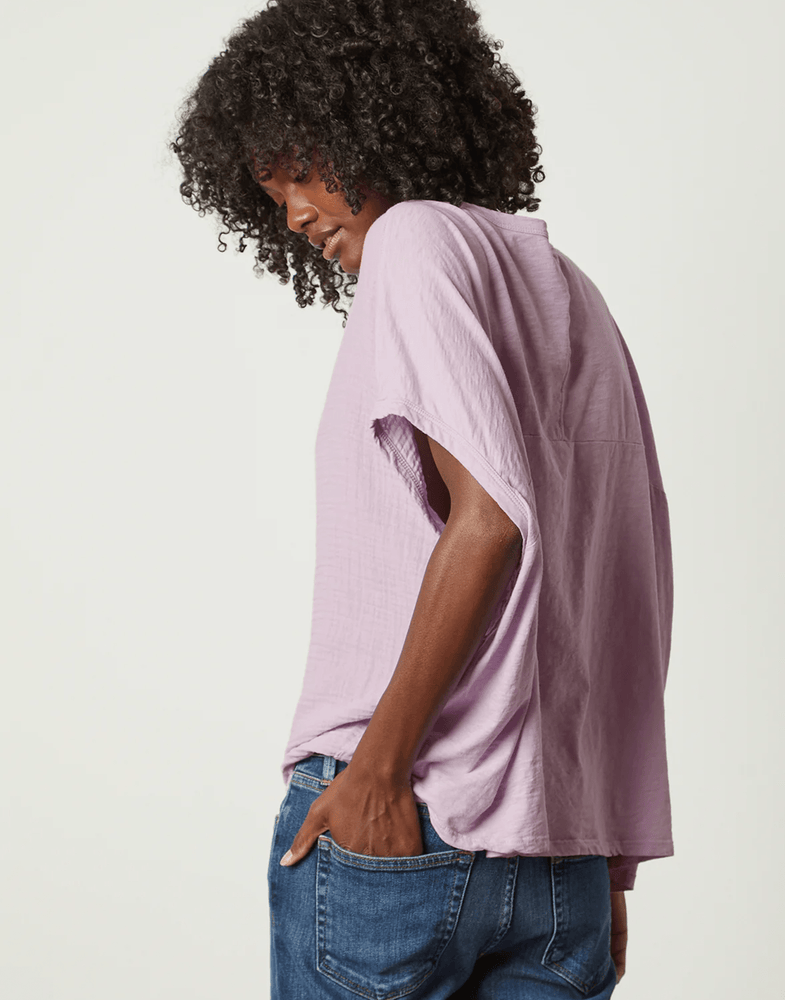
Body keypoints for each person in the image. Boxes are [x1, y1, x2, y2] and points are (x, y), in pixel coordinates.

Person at [169, 0, 674, 996]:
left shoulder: (412, 239)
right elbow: (625, 584)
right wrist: (605, 860)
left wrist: (377, 769)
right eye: (270, 194)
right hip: (559, 844)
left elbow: (489, 523)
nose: (292, 213)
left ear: (366, 122)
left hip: (405, 818)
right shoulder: (570, 289)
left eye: (299, 168)